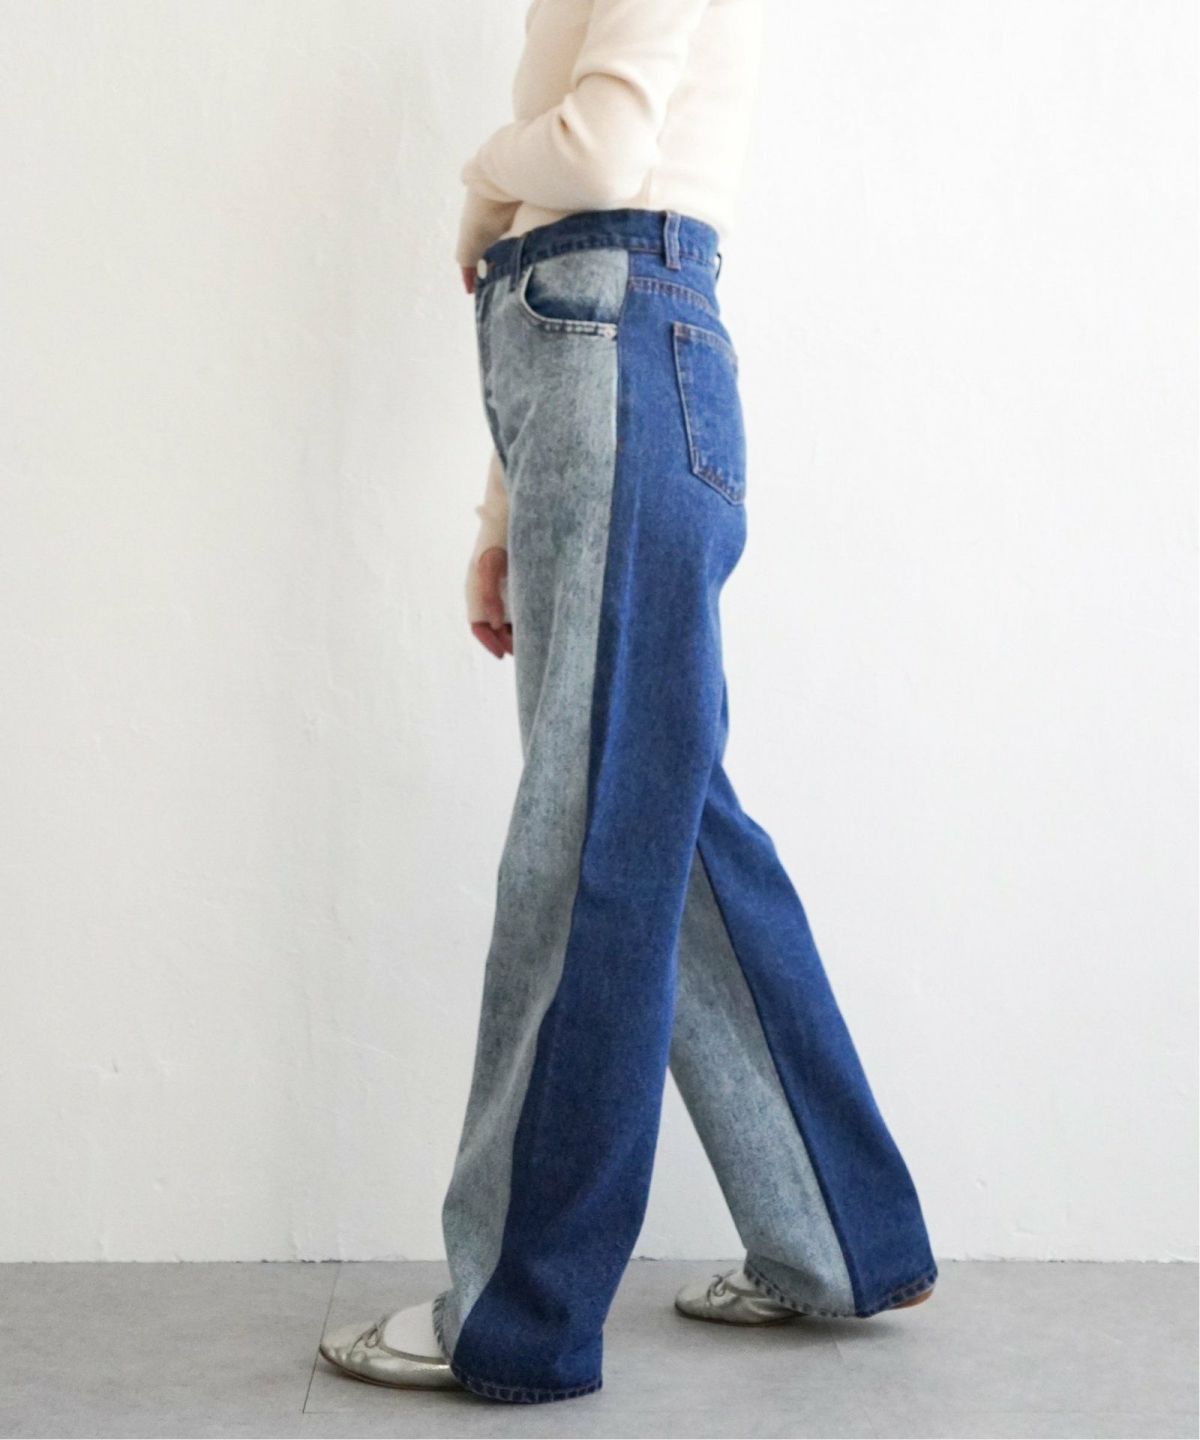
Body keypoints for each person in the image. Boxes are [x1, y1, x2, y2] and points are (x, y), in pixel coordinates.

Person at [320, 0, 937, 1405]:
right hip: (607, 370)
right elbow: (587, 255)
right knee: (675, 828)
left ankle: (517, 1314)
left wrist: (479, 177)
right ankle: (841, 1235)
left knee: (588, 840)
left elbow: (598, 161)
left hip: (618, 354)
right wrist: (499, 515)